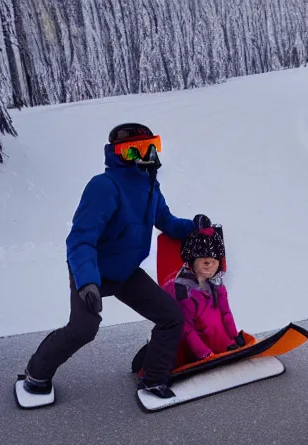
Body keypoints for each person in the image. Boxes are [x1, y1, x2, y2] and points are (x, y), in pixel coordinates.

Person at [21, 122, 211, 400]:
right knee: (83, 329)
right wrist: (86, 281)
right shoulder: (104, 186)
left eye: (149, 147)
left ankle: (154, 378)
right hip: (93, 271)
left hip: (125, 273)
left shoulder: (149, 185)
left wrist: (193, 227)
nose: (142, 155)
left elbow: (166, 221)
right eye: (131, 150)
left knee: (171, 317)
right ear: (116, 154)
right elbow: (80, 240)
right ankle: (36, 374)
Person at [163, 226, 245, 364]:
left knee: (214, 318)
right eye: (205, 261)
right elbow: (186, 328)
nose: (210, 265)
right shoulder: (184, 291)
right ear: (192, 261)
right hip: (190, 346)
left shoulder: (216, 286)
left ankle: (225, 346)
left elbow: (225, 314)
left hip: (212, 339)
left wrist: (234, 337)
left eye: (214, 261)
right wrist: (204, 354)